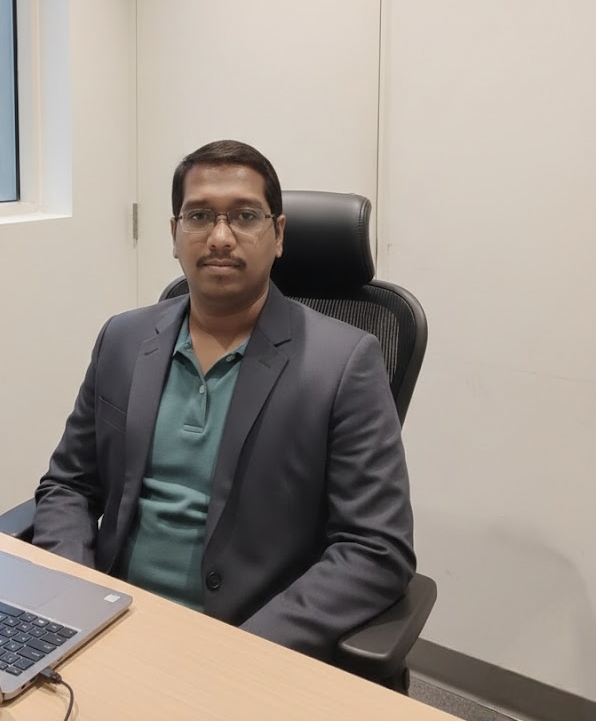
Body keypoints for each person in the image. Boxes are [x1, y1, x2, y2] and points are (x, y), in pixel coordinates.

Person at [33, 139, 415, 662]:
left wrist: (240, 651)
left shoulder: (345, 362)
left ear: (278, 235)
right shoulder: (123, 338)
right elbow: (69, 485)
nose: (219, 237)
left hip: (246, 642)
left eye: (245, 216)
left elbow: (376, 549)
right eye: (199, 216)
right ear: (174, 234)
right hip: (109, 627)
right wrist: (75, 594)